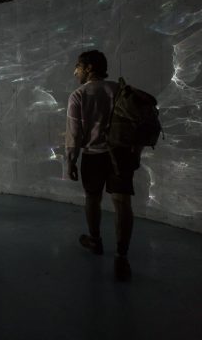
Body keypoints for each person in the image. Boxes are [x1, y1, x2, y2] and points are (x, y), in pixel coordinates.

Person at [65, 50, 137, 281]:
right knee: (122, 203)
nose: (75, 71)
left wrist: (71, 160)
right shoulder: (119, 89)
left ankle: (95, 241)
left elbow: (74, 135)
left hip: (93, 156)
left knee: (92, 199)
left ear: (89, 68)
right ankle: (121, 257)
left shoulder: (78, 95)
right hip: (121, 155)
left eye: (78, 66)